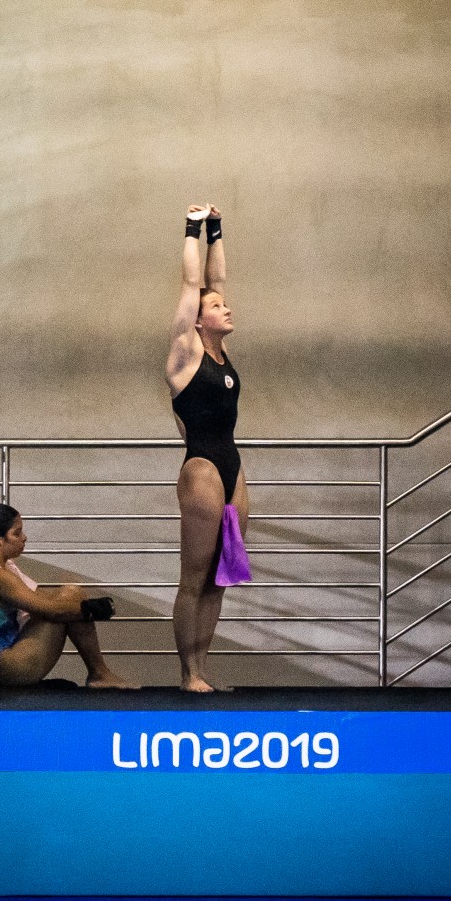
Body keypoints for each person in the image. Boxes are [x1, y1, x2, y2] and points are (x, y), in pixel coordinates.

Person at [165, 204, 250, 692]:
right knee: (194, 576)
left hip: (233, 465)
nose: (226, 308)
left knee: (221, 576)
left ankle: (204, 668)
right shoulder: (185, 352)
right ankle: (187, 672)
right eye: (216, 307)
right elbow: (192, 285)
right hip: (200, 468)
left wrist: (218, 228)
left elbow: (216, 280)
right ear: (196, 322)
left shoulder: (221, 352)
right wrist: (192, 228)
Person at [0, 502, 136, 688]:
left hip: (11, 658)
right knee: (69, 600)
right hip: (11, 668)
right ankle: (99, 674)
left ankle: (100, 673)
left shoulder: (5, 566)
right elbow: (52, 610)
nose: (24, 538)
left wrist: (79, 602)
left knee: (71, 594)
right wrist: (90, 609)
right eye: (17, 533)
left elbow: (44, 600)